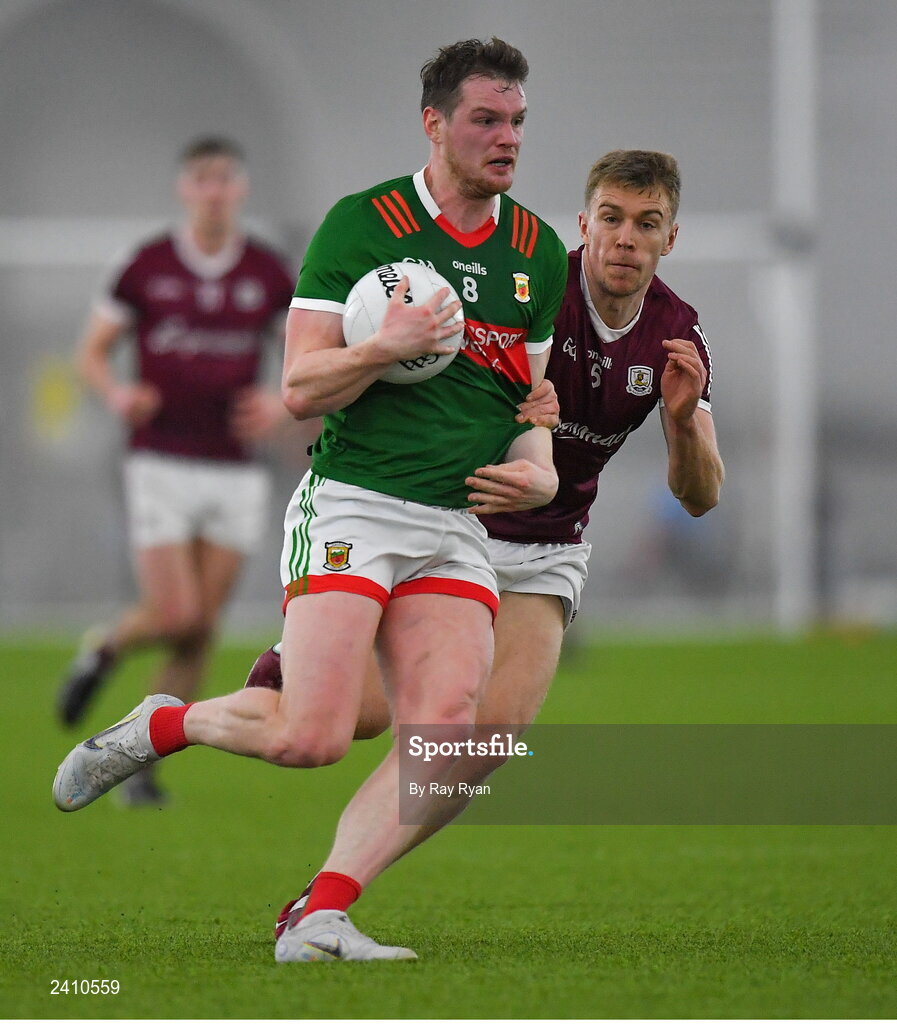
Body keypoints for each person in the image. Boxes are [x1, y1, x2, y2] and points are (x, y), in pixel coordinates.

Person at [53, 38, 569, 962]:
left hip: (453, 526)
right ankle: (161, 723)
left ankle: (318, 916)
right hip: (352, 508)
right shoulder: (358, 225)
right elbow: (299, 386)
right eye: (486, 121)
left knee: (448, 737)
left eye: (517, 122)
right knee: (312, 739)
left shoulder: (536, 251)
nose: (507, 140)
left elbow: (530, 409)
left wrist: (539, 469)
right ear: (435, 125)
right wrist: (384, 345)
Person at [257, 148, 725, 932]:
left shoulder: (677, 333)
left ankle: (324, 900)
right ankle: (186, 716)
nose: (625, 239)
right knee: (352, 721)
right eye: (610, 219)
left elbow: (700, 496)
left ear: (669, 238)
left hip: (546, 550)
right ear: (585, 224)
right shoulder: (536, 288)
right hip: (455, 527)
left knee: (476, 751)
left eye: (646, 225)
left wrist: (681, 423)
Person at [55, 137, 296, 806]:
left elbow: (305, 352)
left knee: (200, 626)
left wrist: (278, 399)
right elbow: (92, 353)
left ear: (240, 189)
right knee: (175, 609)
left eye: (225, 178)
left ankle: (142, 765)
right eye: (202, 179)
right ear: (184, 189)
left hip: (234, 469)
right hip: (160, 458)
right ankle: (103, 648)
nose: (214, 190)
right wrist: (116, 394)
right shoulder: (145, 266)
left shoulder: (268, 272)